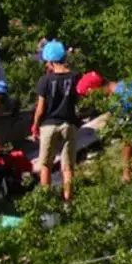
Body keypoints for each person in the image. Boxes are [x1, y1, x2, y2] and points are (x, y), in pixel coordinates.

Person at [31, 41, 82, 202]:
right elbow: (80, 99)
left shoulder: (45, 80)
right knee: (67, 166)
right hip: (69, 123)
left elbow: (40, 109)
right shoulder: (75, 77)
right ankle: (68, 201)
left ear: (51, 62)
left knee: (45, 164)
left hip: (48, 125)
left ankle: (47, 201)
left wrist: (35, 126)